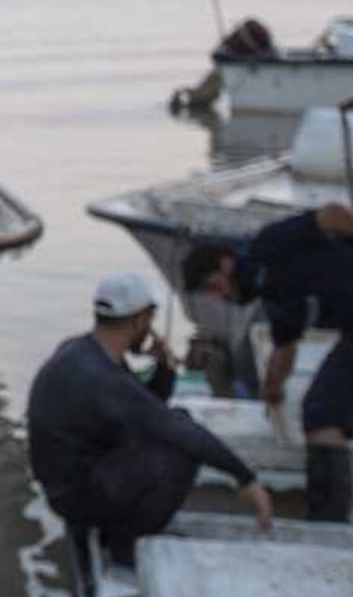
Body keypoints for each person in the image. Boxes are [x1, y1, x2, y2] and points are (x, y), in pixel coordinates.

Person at [28, 272, 272, 568]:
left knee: (177, 422)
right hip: (74, 495)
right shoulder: (103, 377)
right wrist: (246, 477)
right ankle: (125, 545)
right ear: (138, 320)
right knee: (180, 452)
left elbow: (149, 408)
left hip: (70, 478)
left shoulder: (82, 349)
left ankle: (113, 528)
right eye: (150, 319)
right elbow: (174, 429)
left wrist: (163, 367)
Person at [182, 204, 353, 522]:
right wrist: (272, 389)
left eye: (214, 286)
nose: (221, 297)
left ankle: (327, 522)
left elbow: (329, 214)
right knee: (323, 413)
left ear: (226, 263)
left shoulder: (268, 244)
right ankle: (326, 517)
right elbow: (285, 345)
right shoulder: (273, 292)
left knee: (322, 414)